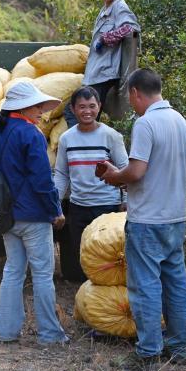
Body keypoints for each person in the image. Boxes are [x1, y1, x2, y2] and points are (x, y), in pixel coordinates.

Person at [100, 68, 186, 370]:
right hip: (176, 218)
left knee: (145, 286)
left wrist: (115, 176)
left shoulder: (146, 123)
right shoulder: (181, 122)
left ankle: (148, 352)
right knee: (175, 284)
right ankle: (179, 349)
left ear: (135, 93)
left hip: (147, 221)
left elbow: (137, 171)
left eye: (130, 97)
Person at [0, 82, 69, 345]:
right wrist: (55, 210)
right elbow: (42, 180)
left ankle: (6, 332)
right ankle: (50, 335)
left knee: (13, 271)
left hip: (7, 216)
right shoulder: (31, 134)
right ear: (23, 107)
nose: (41, 112)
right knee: (43, 274)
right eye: (37, 107)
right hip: (33, 216)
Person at [53, 86, 128, 282]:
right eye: (82, 107)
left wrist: (127, 200)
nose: (87, 111)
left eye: (92, 106)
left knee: (106, 254)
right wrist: (56, 205)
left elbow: (125, 169)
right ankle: (86, 296)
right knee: (84, 254)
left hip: (107, 207)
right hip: (79, 207)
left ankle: (104, 294)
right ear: (73, 109)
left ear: (100, 107)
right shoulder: (66, 139)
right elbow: (61, 174)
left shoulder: (111, 136)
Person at [63, 0, 141, 127]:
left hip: (104, 74)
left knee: (76, 111)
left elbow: (131, 28)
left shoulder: (120, 7)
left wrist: (107, 38)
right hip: (98, 72)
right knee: (89, 113)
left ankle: (83, 146)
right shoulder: (107, 7)